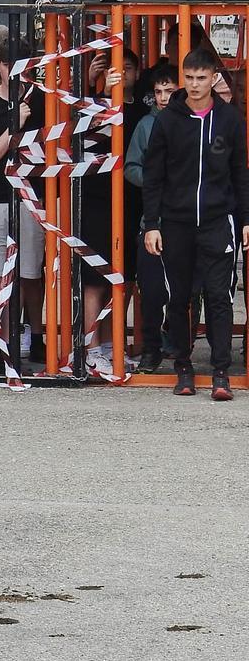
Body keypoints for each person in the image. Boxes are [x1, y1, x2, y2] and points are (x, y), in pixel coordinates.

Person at [143, 46, 249, 400]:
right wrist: (152, 223)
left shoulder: (230, 119)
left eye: (201, 78)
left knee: (220, 297)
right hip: (176, 222)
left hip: (218, 221)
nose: (194, 84)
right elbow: (153, 176)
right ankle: (183, 367)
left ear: (214, 78)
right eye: (188, 77)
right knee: (180, 297)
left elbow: (240, 173)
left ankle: (221, 372)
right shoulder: (167, 121)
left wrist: (245, 219)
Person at [0, 37, 46, 377]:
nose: (17, 73)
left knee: (30, 273)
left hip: (30, 197)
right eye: (10, 66)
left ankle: (29, 338)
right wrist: (13, 126)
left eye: (25, 67)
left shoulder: (43, 101)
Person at [78, 47, 151, 376]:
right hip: (97, 200)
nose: (121, 74)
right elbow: (81, 139)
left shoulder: (143, 112)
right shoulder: (94, 107)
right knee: (95, 278)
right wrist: (102, 95)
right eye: (113, 69)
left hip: (133, 202)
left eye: (128, 68)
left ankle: (111, 344)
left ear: (137, 73)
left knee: (124, 279)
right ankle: (91, 348)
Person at [125, 66, 177, 375]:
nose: (163, 97)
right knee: (152, 288)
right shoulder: (146, 125)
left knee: (188, 289)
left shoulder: (192, 122)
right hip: (153, 218)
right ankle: (151, 348)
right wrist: (156, 182)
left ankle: (181, 347)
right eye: (158, 91)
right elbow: (131, 167)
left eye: (169, 91)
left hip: (188, 218)